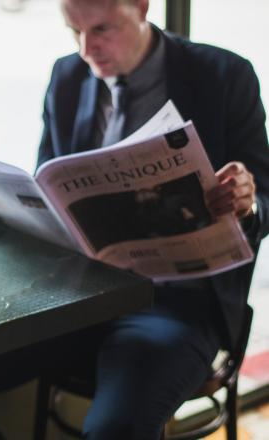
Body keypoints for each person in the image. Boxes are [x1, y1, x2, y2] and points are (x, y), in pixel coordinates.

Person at [38, 0, 269, 437]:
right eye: (74, 31)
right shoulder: (67, 76)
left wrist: (247, 201)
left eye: (103, 29)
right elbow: (48, 181)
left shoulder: (225, 75)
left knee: (115, 429)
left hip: (178, 305)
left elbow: (267, 196)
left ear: (142, 6)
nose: (88, 49)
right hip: (77, 295)